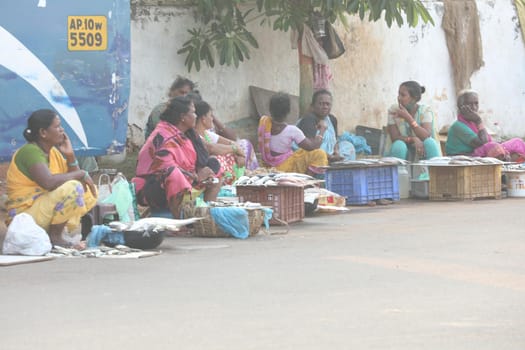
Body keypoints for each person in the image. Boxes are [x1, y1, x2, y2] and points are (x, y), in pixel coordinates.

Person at [5, 109, 97, 248]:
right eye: (57, 126)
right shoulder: (29, 151)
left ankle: (54, 233)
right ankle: (55, 237)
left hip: (40, 209)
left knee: (88, 192)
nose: (62, 130)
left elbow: (80, 183)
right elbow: (48, 182)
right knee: (73, 188)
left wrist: (70, 156)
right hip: (23, 217)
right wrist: (80, 174)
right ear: (43, 132)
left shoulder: (53, 152)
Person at [133, 96, 221, 219]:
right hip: (151, 188)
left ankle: (203, 215)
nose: (196, 116)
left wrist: (202, 172)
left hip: (186, 179)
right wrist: (197, 177)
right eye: (193, 112)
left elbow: (197, 160)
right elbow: (166, 169)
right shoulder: (163, 136)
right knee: (173, 174)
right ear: (183, 117)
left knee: (214, 166)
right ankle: (177, 220)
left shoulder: (186, 133)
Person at [257, 92, 328, 175]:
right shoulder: (292, 130)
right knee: (319, 154)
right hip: (285, 169)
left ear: (270, 110)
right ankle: (305, 181)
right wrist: (322, 130)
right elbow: (313, 147)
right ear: (288, 111)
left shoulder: (264, 123)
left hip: (267, 166)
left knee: (299, 152)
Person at [446, 90, 525, 161]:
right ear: (461, 107)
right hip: (464, 157)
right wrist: (478, 120)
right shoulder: (458, 126)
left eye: (476, 103)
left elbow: (487, 141)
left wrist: (499, 144)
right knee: (493, 146)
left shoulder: (473, 122)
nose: (474, 107)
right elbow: (483, 143)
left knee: (517, 142)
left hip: (478, 153)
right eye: (470, 104)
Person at [194, 100, 250, 185]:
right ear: (203, 119)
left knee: (231, 151)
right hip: (202, 172)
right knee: (219, 157)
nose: (212, 119)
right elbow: (212, 148)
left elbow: (231, 142)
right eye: (210, 116)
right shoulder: (195, 136)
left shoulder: (206, 133)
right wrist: (235, 149)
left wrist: (240, 154)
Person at [384, 81, 442, 161]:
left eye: (403, 95)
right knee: (398, 145)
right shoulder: (393, 110)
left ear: (414, 98)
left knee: (429, 142)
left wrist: (408, 118)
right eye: (399, 94)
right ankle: (398, 172)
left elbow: (426, 136)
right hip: (404, 149)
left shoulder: (425, 110)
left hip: (422, 149)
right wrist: (413, 139)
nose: (399, 98)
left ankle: (434, 172)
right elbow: (395, 137)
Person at [296, 89, 356, 162]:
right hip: (315, 154)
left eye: (328, 104)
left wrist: (336, 152)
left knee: (348, 146)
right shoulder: (309, 119)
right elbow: (310, 148)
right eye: (321, 104)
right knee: (317, 155)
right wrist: (329, 157)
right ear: (313, 106)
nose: (325, 107)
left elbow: (335, 140)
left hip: (330, 154)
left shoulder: (332, 119)